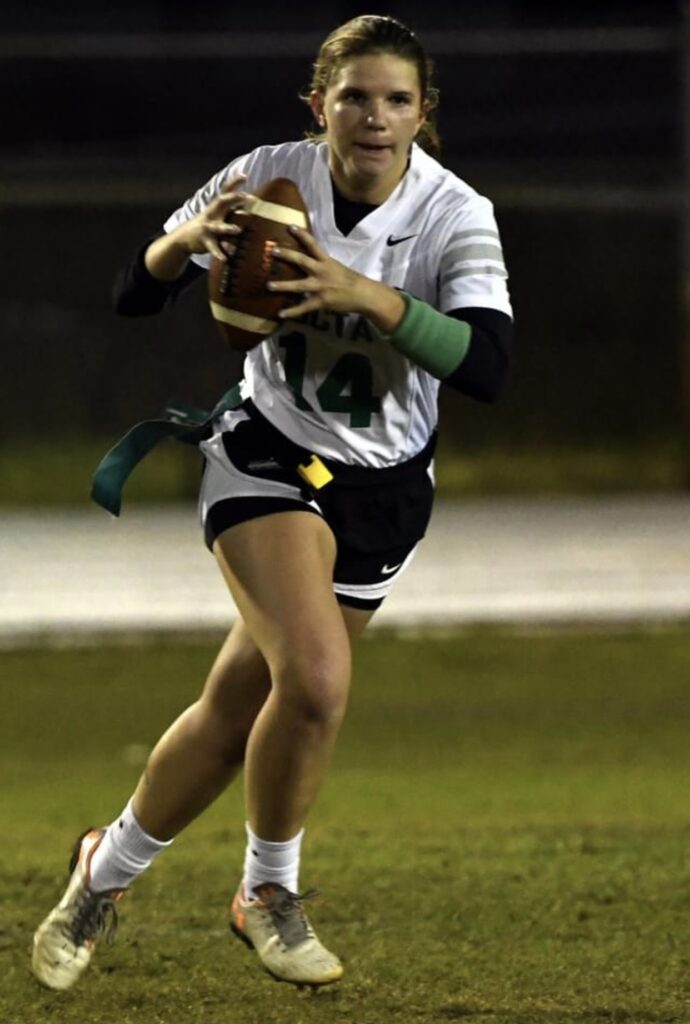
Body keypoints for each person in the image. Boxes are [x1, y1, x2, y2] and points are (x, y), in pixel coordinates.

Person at [31, 14, 513, 992]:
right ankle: (267, 891)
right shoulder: (268, 175)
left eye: (395, 99)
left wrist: (364, 293)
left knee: (240, 703)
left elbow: (491, 367)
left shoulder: (455, 214)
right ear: (318, 105)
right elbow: (135, 290)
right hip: (266, 454)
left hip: (385, 490)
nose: (373, 117)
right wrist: (181, 245)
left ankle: (103, 869)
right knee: (321, 680)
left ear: (425, 114)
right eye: (354, 96)